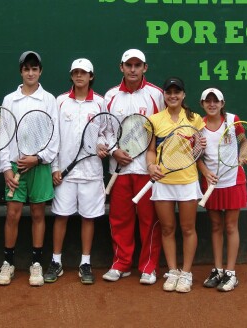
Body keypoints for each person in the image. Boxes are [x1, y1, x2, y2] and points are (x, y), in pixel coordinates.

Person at [0, 51, 60, 286]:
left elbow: (55, 137)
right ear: (21, 71)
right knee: (12, 214)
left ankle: (36, 264)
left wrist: (39, 158)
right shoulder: (9, 100)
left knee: (37, 213)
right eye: (26, 68)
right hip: (14, 167)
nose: (30, 73)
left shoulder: (49, 100)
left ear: (40, 71)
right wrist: (6, 169)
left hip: (40, 167)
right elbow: (3, 135)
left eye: (35, 69)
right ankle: (8, 263)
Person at [102, 49, 165, 285]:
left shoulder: (156, 95)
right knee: (119, 219)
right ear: (121, 67)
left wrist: (153, 163)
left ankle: (148, 266)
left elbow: (163, 130)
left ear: (145, 68)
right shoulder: (110, 96)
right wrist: (112, 151)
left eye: (137, 65)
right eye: (129, 65)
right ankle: (121, 263)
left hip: (147, 173)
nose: (133, 69)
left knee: (149, 220)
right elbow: (103, 130)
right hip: (118, 171)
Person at [44, 58, 109, 285]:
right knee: (61, 216)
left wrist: (103, 145)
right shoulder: (59, 101)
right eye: (75, 72)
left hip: (91, 173)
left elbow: (107, 132)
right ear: (71, 75)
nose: (79, 76)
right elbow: (54, 137)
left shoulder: (100, 103)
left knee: (88, 219)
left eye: (84, 73)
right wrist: (54, 168)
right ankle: (56, 261)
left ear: (91, 76)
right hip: (65, 174)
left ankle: (85, 263)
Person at [146, 77, 205, 293]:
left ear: (183, 95)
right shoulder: (154, 120)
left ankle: (186, 273)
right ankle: (172, 271)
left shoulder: (195, 119)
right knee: (168, 228)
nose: (173, 96)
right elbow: (150, 149)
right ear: (164, 95)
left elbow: (199, 150)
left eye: (177, 92)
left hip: (187, 181)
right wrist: (151, 166)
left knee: (188, 228)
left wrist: (201, 146)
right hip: (163, 182)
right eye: (169, 92)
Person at [197, 87, 247, 292]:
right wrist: (204, 172)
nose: (212, 104)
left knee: (230, 227)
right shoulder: (198, 125)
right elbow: (197, 156)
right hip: (211, 184)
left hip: (233, 181)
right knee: (216, 227)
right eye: (207, 101)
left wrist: (242, 156)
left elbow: (244, 142)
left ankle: (230, 273)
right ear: (202, 104)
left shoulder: (232, 120)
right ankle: (218, 269)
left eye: (215, 101)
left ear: (222, 103)